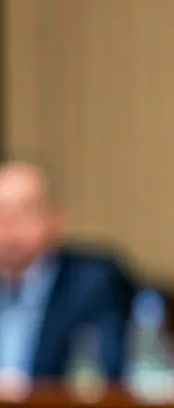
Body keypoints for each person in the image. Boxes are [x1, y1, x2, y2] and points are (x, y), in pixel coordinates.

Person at [0, 158, 134, 389]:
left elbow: (108, 372)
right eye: (2, 213)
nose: (11, 226)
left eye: (25, 211)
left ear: (55, 219)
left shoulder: (93, 283)